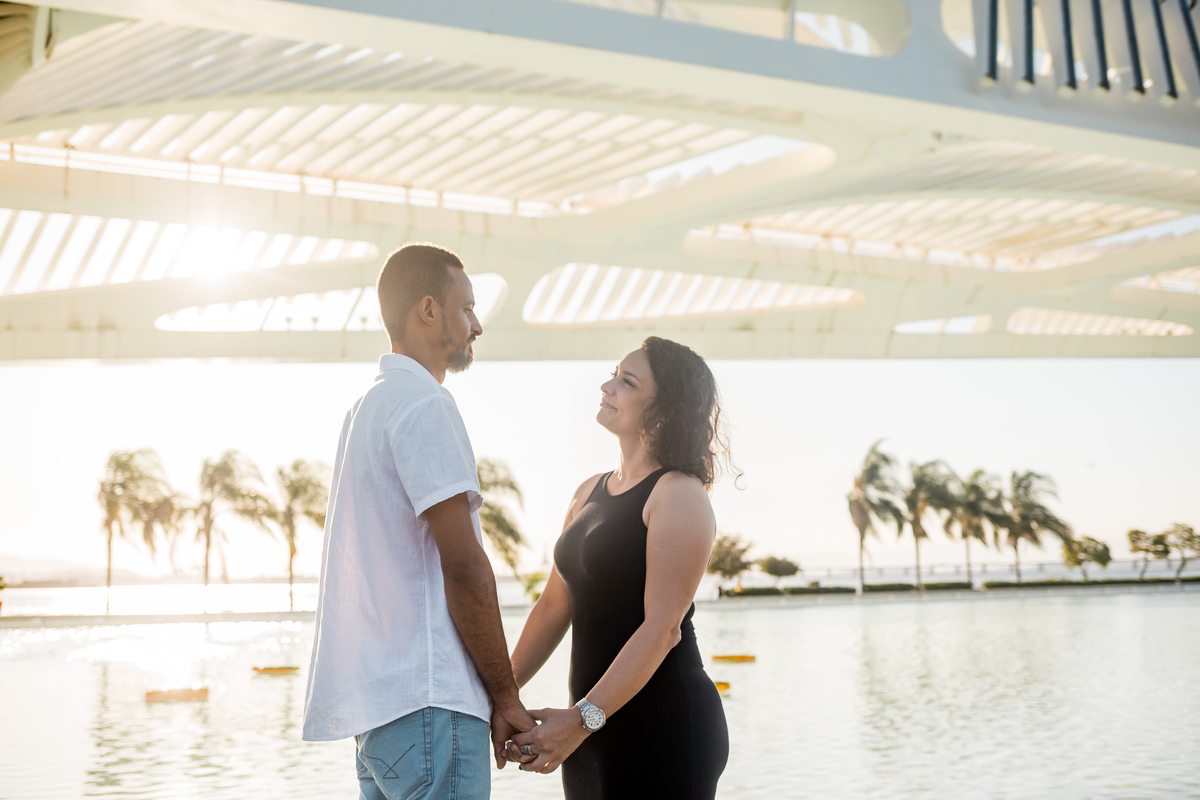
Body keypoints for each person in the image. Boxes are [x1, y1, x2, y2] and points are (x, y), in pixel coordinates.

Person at [301, 243, 534, 800]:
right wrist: (505, 698)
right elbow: (463, 565)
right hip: (432, 706)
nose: (477, 325)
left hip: (381, 718)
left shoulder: (367, 408)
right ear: (428, 309)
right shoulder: (423, 403)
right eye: (467, 308)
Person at [504, 336, 732, 799]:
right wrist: (501, 695)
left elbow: (662, 629)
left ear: (664, 409)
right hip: (589, 725)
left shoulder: (678, 493)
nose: (607, 386)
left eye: (626, 382)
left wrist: (582, 719)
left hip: (661, 725)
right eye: (614, 374)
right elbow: (552, 607)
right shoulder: (588, 491)